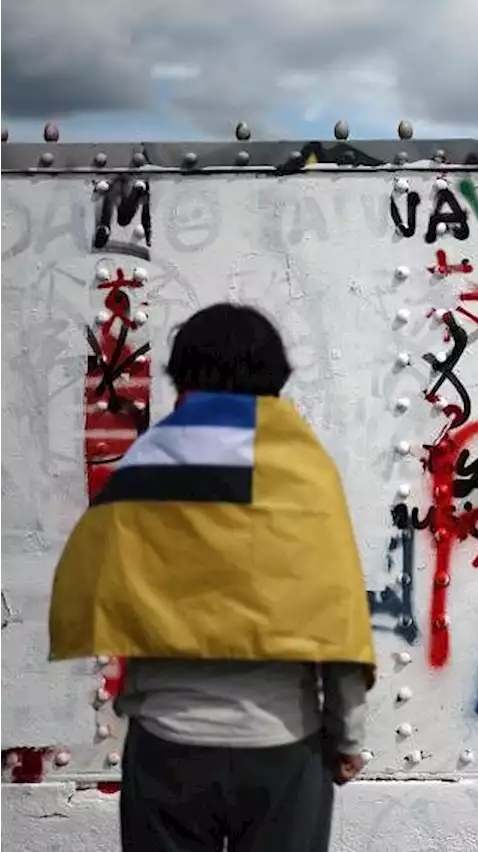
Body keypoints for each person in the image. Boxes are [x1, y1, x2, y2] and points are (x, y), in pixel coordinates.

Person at [48, 303, 376, 852]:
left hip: (167, 746)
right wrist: (348, 737)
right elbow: (335, 618)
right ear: (275, 379)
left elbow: (104, 586)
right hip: (283, 747)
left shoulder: (144, 463)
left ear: (181, 376)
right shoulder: (304, 473)